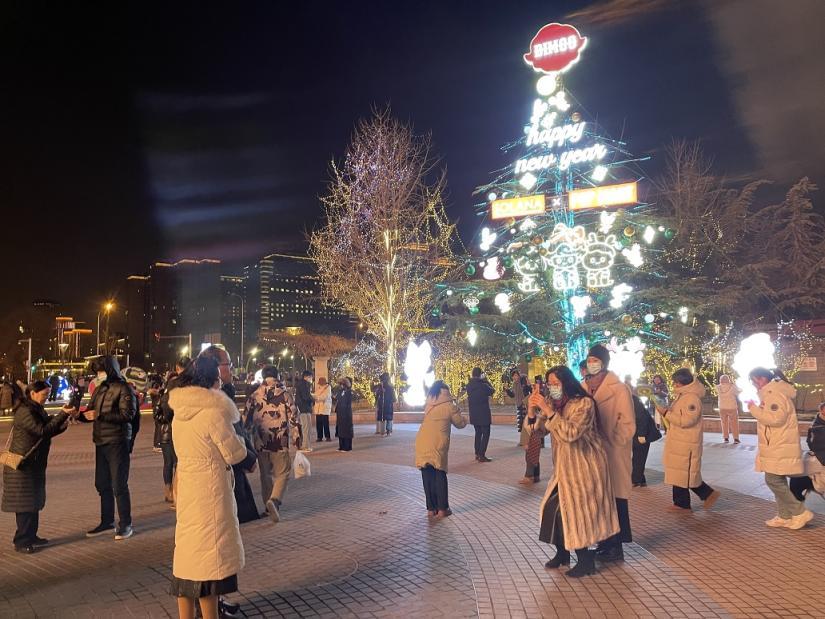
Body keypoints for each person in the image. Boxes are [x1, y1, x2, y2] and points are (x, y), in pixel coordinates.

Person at [168, 355, 248, 619]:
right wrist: (242, 442)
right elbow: (234, 453)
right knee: (209, 567)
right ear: (212, 382)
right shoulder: (213, 414)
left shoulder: (180, 413)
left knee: (188, 561)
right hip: (210, 491)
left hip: (189, 487)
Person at [529, 366, 619, 579]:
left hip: (584, 468)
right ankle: (562, 553)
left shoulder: (584, 404)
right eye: (549, 384)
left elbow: (571, 434)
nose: (552, 388)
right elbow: (538, 431)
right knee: (552, 510)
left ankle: (586, 560)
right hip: (564, 469)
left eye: (555, 384)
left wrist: (550, 412)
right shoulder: (554, 404)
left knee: (578, 515)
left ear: (566, 383)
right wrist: (533, 411)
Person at [2, 382, 78, 553]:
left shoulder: (36, 408)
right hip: (21, 466)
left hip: (33, 465)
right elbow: (42, 430)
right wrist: (62, 414)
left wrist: (63, 421)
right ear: (33, 393)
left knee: (34, 502)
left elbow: (47, 430)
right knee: (24, 505)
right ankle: (21, 541)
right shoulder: (25, 411)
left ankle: (31, 536)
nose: (47, 397)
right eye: (44, 394)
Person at [582, 344, 634, 563]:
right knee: (599, 499)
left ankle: (616, 546)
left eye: (595, 359)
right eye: (589, 359)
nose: (591, 363)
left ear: (604, 363)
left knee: (615, 500)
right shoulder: (583, 387)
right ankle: (604, 543)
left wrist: (613, 440)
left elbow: (628, 423)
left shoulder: (619, 388)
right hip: (591, 452)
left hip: (612, 453)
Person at [77, 356, 138, 541]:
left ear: (110, 370)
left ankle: (126, 524)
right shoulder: (99, 389)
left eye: (101, 371)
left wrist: (101, 415)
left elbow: (128, 414)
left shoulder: (124, 388)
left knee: (119, 484)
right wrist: (79, 415)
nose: (98, 375)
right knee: (102, 484)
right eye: (97, 372)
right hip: (100, 441)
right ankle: (107, 521)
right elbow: (91, 411)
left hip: (118, 441)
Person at [201, 345, 260, 526]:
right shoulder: (214, 402)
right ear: (216, 368)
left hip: (226, 471)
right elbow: (230, 435)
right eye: (229, 363)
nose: (232, 368)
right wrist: (248, 459)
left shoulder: (222, 393)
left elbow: (238, 429)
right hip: (222, 473)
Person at [747, 367, 812, 529]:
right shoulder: (773, 394)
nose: (755, 385)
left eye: (755, 381)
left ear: (761, 379)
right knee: (778, 479)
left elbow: (775, 419)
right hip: (776, 444)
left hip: (778, 444)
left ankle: (799, 512)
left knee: (773, 480)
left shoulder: (774, 395)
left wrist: (754, 409)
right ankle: (785, 516)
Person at [657, 369, 721, 510]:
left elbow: (687, 420)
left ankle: (688, 501)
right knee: (679, 473)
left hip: (686, 442)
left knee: (683, 473)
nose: (674, 384)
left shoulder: (691, 398)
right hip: (679, 441)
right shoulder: (683, 396)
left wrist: (666, 413)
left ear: (682, 382)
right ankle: (687, 501)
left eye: (676, 382)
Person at [244, 365, 300, 523]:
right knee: (283, 473)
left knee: (265, 475)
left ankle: (268, 508)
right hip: (280, 441)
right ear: (277, 376)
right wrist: (297, 438)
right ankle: (274, 500)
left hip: (260, 442)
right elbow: (294, 417)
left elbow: (245, 420)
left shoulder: (254, 396)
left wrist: (247, 441)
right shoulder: (285, 395)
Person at [415, 381, 466, 519]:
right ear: (446, 392)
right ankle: (443, 509)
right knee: (439, 472)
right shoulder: (450, 406)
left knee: (427, 474)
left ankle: (431, 509)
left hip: (422, 441)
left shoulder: (429, 405)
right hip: (437, 443)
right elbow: (460, 423)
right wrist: (463, 416)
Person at [152, 357, 190, 506]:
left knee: (168, 462)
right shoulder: (188, 383)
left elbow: (162, 409)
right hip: (178, 430)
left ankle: (168, 492)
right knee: (178, 463)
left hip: (166, 430)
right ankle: (176, 495)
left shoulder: (169, 386)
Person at [790, 401, 825, 501]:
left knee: (796, 480)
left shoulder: (816, 427)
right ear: (821, 411)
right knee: (797, 476)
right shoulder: (816, 427)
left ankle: (797, 508)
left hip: (821, 466)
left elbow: (812, 444)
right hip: (819, 461)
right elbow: (812, 443)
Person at [632, 394, 661, 487]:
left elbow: (642, 418)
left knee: (639, 456)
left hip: (642, 434)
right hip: (637, 433)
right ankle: (639, 479)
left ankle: (636, 480)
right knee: (638, 457)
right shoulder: (630, 399)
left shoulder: (633, 400)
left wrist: (641, 435)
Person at [466, 367, 494, 462]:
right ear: (480, 374)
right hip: (483, 414)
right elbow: (492, 391)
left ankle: (477, 453)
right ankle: (482, 455)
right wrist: (486, 381)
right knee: (486, 434)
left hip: (474, 414)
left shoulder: (469, 385)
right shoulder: (483, 385)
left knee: (478, 433)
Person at [506, 369, 531, 445]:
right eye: (513, 376)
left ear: (519, 375)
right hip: (519, 405)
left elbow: (528, 390)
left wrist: (529, 385)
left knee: (526, 423)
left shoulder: (523, 381)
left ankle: (528, 440)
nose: (515, 377)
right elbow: (513, 395)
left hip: (525, 404)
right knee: (521, 424)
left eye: (516, 375)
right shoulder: (514, 384)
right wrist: (507, 390)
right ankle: (523, 440)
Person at [716, 374, 741, 443]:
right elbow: (738, 392)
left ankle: (726, 438)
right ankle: (736, 438)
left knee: (724, 423)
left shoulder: (718, 387)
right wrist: (734, 384)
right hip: (732, 407)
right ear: (728, 379)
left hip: (722, 407)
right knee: (734, 423)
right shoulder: (732, 387)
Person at [295, 370, 314, 452]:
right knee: (306, 428)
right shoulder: (304, 384)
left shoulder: (302, 383)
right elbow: (306, 396)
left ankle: (306, 445)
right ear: (306, 377)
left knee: (307, 427)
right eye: (310, 377)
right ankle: (306, 446)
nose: (311, 379)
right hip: (304, 408)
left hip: (303, 408)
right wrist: (313, 399)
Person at [335, 377, 354, 452]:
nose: (340, 386)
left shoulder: (349, 392)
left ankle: (347, 447)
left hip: (346, 413)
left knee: (347, 430)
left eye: (341, 384)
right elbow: (338, 399)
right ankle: (341, 446)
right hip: (340, 413)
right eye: (340, 384)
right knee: (340, 430)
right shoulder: (340, 391)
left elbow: (348, 402)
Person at [375, 372, 396, 436]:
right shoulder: (382, 386)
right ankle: (386, 431)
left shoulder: (388, 386)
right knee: (385, 418)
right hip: (385, 403)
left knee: (385, 418)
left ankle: (385, 431)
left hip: (386, 403)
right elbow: (377, 394)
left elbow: (392, 396)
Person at [312, 377, 332, 442]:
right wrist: (313, 396)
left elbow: (324, 397)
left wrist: (316, 397)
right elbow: (316, 395)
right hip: (318, 408)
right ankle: (319, 437)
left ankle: (327, 437)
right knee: (318, 423)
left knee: (325, 423)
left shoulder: (328, 388)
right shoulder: (320, 388)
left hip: (324, 408)